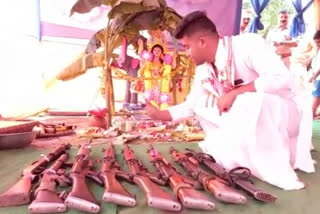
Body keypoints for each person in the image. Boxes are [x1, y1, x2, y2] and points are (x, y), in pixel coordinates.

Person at [145, 11, 314, 190]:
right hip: (254, 121)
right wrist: (160, 114)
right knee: (204, 105)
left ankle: (275, 169)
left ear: (202, 41)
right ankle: (243, 158)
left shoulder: (247, 44)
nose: (186, 53)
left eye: (187, 47)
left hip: (287, 115)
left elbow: (281, 78)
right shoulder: (204, 70)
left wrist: (235, 93)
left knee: (247, 101)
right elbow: (192, 105)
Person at [308, 30, 320, 118]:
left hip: (318, 79)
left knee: (313, 106)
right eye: (316, 43)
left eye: (319, 42)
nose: (318, 44)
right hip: (317, 78)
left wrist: (315, 75)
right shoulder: (317, 50)